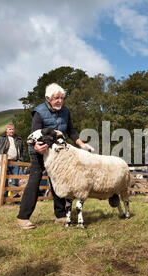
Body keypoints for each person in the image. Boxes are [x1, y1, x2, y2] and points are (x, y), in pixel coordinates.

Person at [17, 83, 94, 229]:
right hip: (39, 151)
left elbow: (71, 131)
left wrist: (81, 144)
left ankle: (60, 215)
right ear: (48, 98)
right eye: (56, 98)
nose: (59, 101)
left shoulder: (65, 111)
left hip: (58, 154)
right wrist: (36, 147)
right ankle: (23, 218)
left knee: (58, 182)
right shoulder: (38, 112)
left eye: (61, 98)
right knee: (35, 180)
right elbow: (35, 133)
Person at [0, 123, 26, 196]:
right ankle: (3, 197)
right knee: (4, 179)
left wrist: (21, 158)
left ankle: (14, 197)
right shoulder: (2, 138)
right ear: (6, 130)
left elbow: (23, 149)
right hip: (5, 162)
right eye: (10, 129)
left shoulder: (18, 139)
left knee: (15, 180)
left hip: (15, 162)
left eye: (13, 129)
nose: (12, 131)